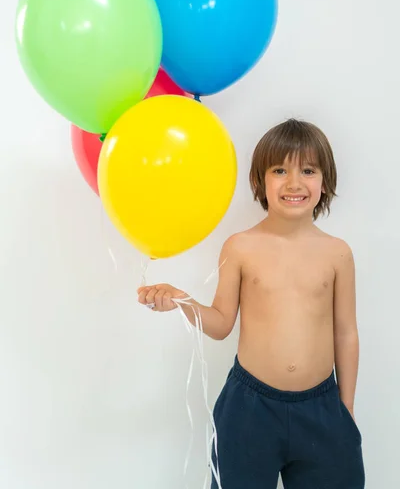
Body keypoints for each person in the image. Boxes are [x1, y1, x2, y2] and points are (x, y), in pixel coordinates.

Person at [137, 118, 365, 488]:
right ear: (260, 181)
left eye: (308, 170)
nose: (294, 183)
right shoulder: (240, 246)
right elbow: (222, 322)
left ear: (325, 181)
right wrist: (182, 301)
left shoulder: (338, 254)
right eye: (280, 170)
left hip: (322, 407)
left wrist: (346, 408)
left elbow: (346, 333)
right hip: (248, 407)